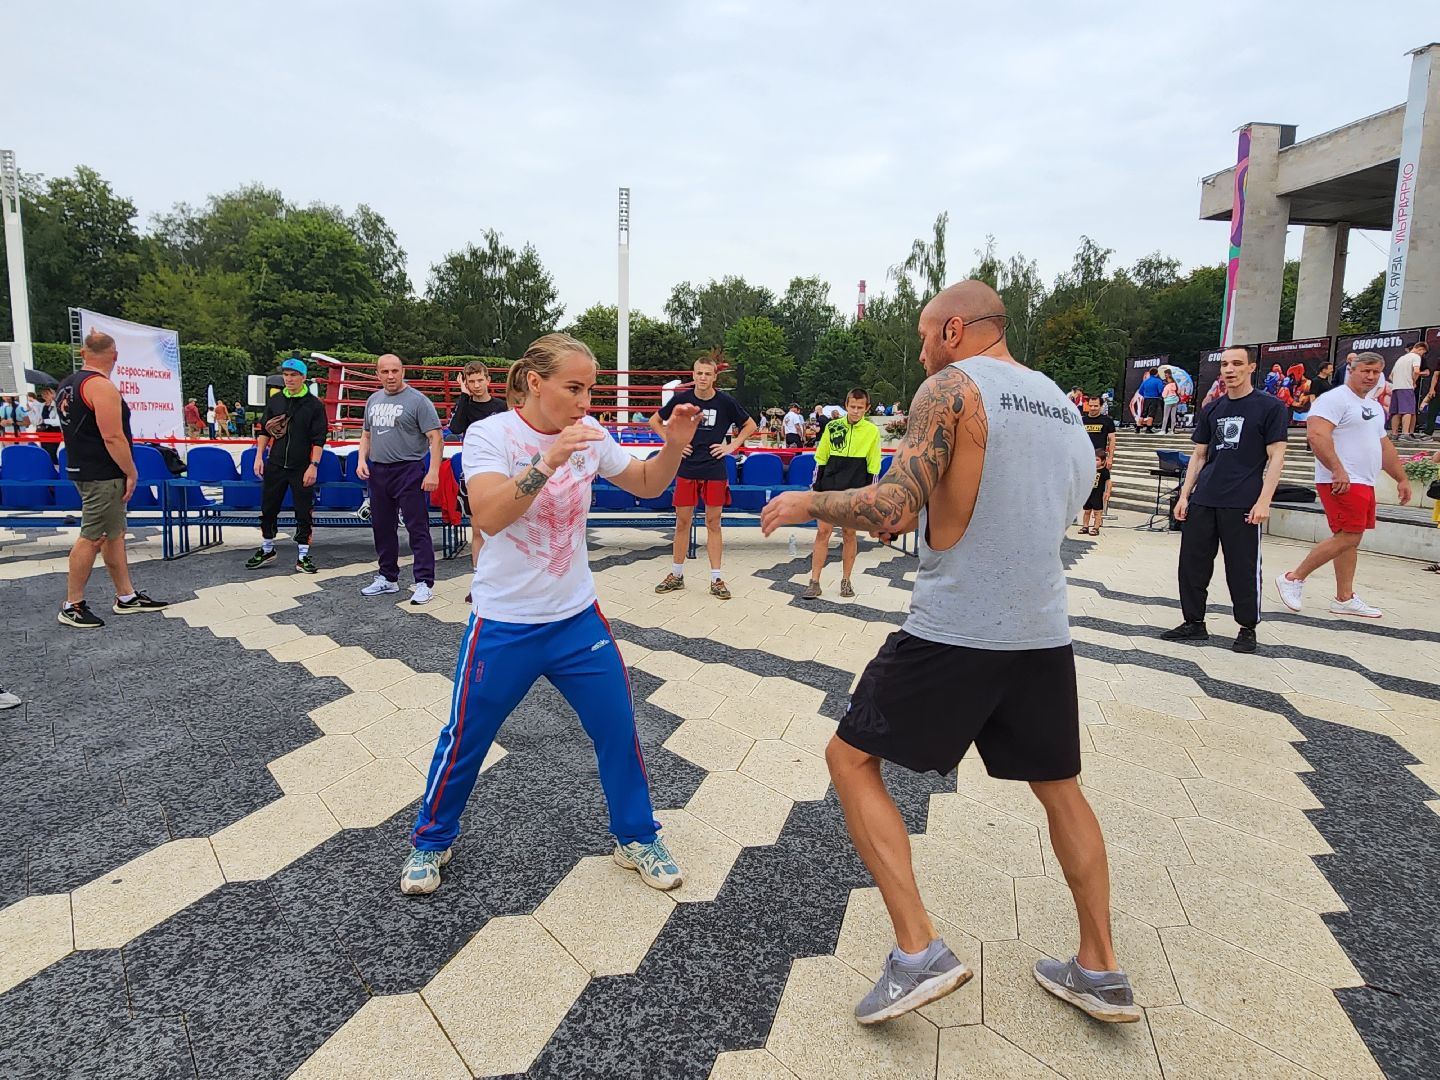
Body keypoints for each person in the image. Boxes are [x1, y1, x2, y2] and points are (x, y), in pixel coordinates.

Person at [761, 281, 1137, 1028]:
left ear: (956, 329)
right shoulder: (1063, 406)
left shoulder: (952, 388)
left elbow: (893, 509)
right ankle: (1100, 968)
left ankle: (917, 952)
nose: (922, 353)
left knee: (849, 759)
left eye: (926, 336)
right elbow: (1055, 506)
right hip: (1041, 630)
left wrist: (809, 502)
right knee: (1062, 790)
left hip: (956, 628)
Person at [400, 333, 702, 896]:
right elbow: (489, 516)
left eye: (591, 389)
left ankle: (636, 837)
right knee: (466, 737)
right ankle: (431, 841)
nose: (585, 401)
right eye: (574, 388)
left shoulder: (591, 434)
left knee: (618, 727)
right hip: (504, 623)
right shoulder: (492, 434)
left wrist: (674, 447)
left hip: (576, 619)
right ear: (535, 383)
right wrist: (550, 458)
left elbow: (645, 483)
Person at [1163, 346, 1288, 652]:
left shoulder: (1270, 407)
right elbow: (1199, 454)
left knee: (1242, 567)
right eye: (1225, 364)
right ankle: (1194, 622)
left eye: (1237, 363)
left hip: (1242, 500)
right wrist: (1184, 495)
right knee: (1191, 564)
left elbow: (1277, 456)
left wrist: (1264, 501)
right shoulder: (1213, 408)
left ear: (1251, 367)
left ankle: (1247, 627)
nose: (1230, 369)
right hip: (1205, 497)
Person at [1275, 352, 1412, 619]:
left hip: (1364, 480)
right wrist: (1337, 469)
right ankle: (1293, 578)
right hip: (1341, 480)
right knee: (1350, 535)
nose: (1370, 376)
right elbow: (1317, 435)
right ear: (1352, 370)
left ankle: (1344, 597)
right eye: (1365, 371)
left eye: (1376, 372)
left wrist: (1402, 478)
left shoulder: (1373, 406)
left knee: (1348, 539)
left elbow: (1384, 445)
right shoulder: (1334, 399)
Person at [55, 330, 168, 629]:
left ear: (83, 353)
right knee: (92, 536)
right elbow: (112, 436)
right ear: (115, 356)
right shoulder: (100, 387)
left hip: (82, 467)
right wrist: (131, 471)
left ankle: (126, 595)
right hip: (103, 473)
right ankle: (72, 604)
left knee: (113, 533)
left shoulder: (67, 385)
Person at [650, 354, 756, 601]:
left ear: (715, 377)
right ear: (693, 374)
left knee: (713, 523)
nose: (703, 377)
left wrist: (732, 446)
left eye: (708, 374)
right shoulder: (682, 399)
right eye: (699, 373)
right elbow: (655, 421)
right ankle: (676, 574)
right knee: (682, 523)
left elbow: (750, 425)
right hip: (687, 468)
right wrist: (673, 443)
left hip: (714, 469)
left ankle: (716, 579)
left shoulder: (725, 402)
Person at [355, 354, 443, 604]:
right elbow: (366, 434)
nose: (391, 376)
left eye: (395, 371)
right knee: (382, 526)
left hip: (409, 469)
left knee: (417, 527)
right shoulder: (373, 400)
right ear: (378, 374)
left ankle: (424, 581)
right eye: (385, 371)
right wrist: (362, 460)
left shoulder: (418, 401)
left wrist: (433, 471)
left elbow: (436, 437)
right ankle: (387, 577)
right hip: (379, 470)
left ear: (403, 371)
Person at [245, 358, 329, 575]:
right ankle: (267, 548)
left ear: (303, 377)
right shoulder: (275, 401)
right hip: (275, 463)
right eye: (286, 375)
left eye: (294, 375)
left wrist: (314, 465)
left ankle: (303, 555)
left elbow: (319, 439)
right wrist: (258, 457)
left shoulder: (314, 405)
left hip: (301, 465)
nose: (289, 379)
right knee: (268, 507)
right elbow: (264, 431)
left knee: (303, 510)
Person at [801, 388, 883, 600]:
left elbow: (874, 464)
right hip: (829, 487)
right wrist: (815, 488)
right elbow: (821, 458)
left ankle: (846, 580)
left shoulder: (872, 431)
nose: (855, 411)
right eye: (852, 406)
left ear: (867, 408)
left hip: (855, 490)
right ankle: (814, 581)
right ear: (846, 406)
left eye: (860, 407)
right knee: (823, 532)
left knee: (849, 533)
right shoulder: (832, 426)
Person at [446, 362, 508, 586]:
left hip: (500, 471)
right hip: (473, 472)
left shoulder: (501, 406)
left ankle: (502, 580)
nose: (476, 385)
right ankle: (479, 581)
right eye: (471, 381)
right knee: (478, 530)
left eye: (480, 380)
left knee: (502, 530)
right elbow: (455, 428)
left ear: (488, 380)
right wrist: (464, 396)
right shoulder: (465, 406)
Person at [1079, 396, 1116, 535]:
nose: (1093, 408)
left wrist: (1110, 457)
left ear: (1100, 406)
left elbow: (1112, 439)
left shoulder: (1107, 421)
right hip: (1084, 458)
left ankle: (1097, 521)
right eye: (1091, 405)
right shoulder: (1082, 420)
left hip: (1099, 458)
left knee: (1100, 484)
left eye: (1096, 406)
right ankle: (1085, 521)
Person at [1389, 341, 1425, 441]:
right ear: (1420, 349)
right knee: (1407, 410)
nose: (1422, 355)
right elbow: (1416, 371)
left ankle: (1394, 434)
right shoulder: (1416, 357)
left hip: (1396, 387)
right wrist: (1414, 381)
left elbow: (1391, 376)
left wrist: (1398, 381)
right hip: (1406, 387)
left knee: (1396, 412)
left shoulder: (1401, 358)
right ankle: (1405, 434)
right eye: (1423, 352)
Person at [35, 387, 62, 462]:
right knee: (45, 452)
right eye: (43, 394)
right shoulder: (41, 405)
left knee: (52, 453)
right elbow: (37, 419)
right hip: (42, 432)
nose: (45, 395)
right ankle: (46, 467)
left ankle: (54, 467)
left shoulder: (57, 405)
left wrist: (44, 421)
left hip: (54, 432)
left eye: (47, 393)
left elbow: (58, 421)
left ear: (53, 394)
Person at [1137, 368, 1164, 433]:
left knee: (1143, 413)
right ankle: (1148, 428)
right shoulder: (1158, 381)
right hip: (1154, 398)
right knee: (1151, 414)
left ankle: (1137, 428)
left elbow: (1140, 391)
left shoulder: (1145, 381)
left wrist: (1145, 395)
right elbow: (1160, 390)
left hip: (1146, 398)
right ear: (1156, 373)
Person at [1160, 369, 1182, 434]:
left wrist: (1164, 396)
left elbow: (1164, 395)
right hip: (1175, 400)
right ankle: (1172, 430)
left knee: (1165, 416)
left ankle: (1163, 430)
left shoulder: (1167, 386)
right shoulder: (1176, 385)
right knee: (1173, 416)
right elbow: (1179, 392)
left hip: (1168, 401)